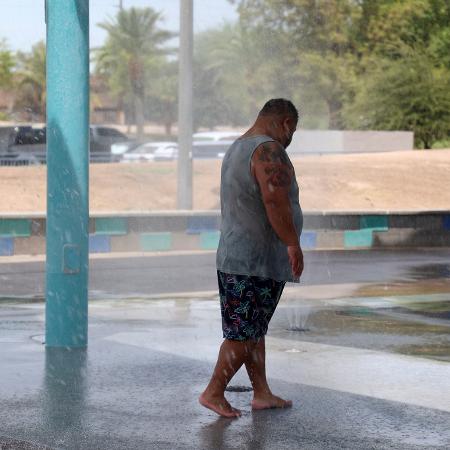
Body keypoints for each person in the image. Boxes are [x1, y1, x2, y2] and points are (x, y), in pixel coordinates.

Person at [199, 98, 304, 418]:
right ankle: (214, 392)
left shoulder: (238, 147)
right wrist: (292, 242)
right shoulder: (268, 150)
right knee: (243, 334)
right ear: (285, 122)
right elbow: (275, 200)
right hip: (254, 260)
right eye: (293, 131)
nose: (291, 138)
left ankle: (262, 392)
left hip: (237, 255)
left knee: (252, 330)